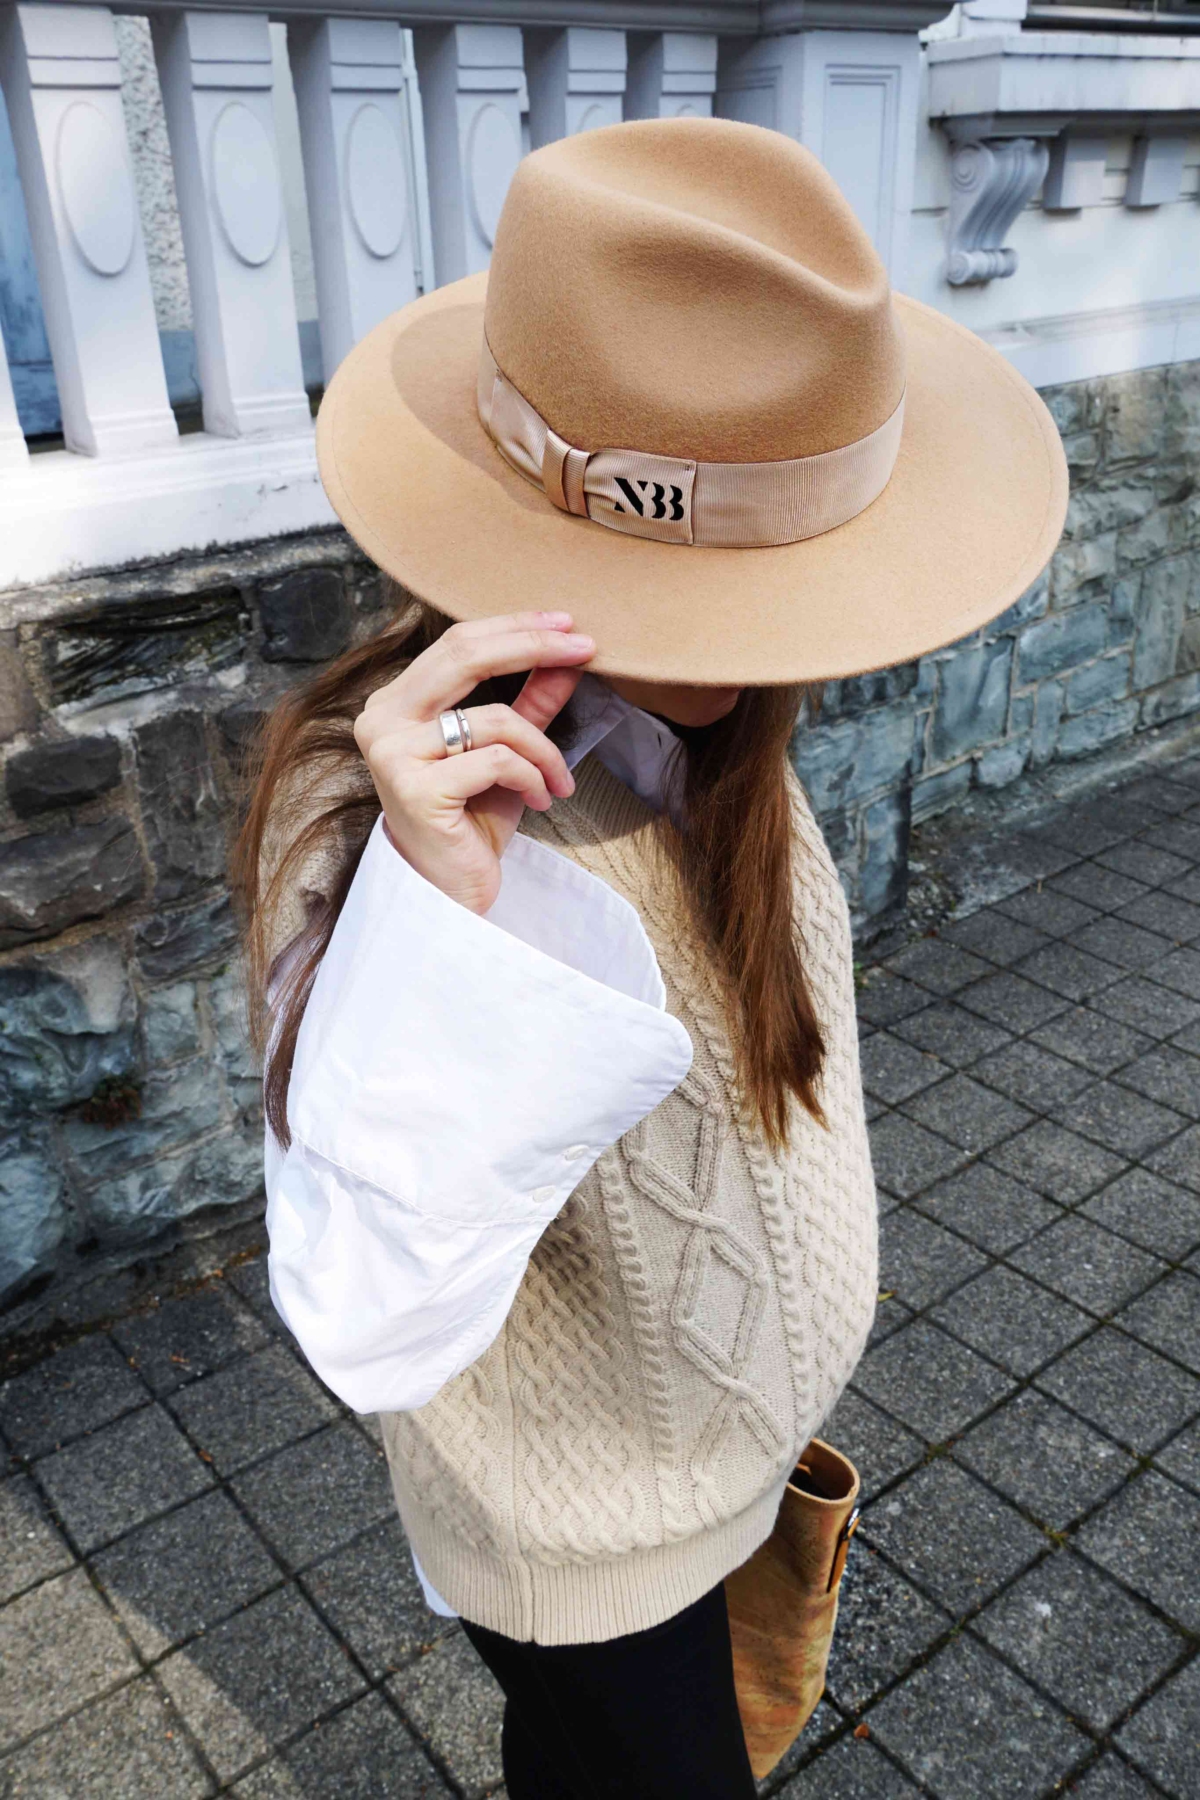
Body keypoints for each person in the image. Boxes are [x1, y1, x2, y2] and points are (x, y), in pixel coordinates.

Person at [234, 117, 1066, 1799]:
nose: (732, 636)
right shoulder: (382, 809)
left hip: (726, 1473)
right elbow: (370, 1307)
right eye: (695, 568)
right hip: (583, 1548)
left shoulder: (727, 731)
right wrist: (430, 911)